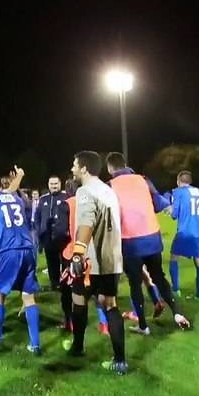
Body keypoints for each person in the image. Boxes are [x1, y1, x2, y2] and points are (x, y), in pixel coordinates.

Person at [106, 152, 191, 333]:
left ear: (110, 168)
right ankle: (177, 312)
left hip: (130, 241)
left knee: (135, 284)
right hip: (152, 237)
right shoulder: (143, 180)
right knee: (158, 276)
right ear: (125, 164)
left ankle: (143, 325)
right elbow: (159, 204)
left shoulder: (110, 185)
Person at [62, 151, 128, 374]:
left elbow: (86, 223)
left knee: (78, 300)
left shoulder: (85, 191)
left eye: (74, 165)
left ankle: (78, 347)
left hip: (91, 261)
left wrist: (78, 253)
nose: (72, 169)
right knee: (110, 305)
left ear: (83, 168)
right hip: (112, 259)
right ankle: (120, 361)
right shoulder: (108, 190)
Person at [0, 170, 42, 355]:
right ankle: (35, 344)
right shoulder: (16, 198)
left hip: (7, 250)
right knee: (28, 296)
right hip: (27, 248)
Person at [55, 177, 110, 335]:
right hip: (95, 251)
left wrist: (58, 243)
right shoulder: (96, 201)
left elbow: (60, 231)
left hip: (73, 253)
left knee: (69, 290)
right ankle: (104, 324)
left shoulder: (67, 204)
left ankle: (70, 322)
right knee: (98, 289)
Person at [168, 171, 199, 302]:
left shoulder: (178, 192)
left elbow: (174, 215)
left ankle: (175, 289)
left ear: (179, 181)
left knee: (174, 257)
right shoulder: (198, 191)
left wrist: (170, 210)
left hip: (185, 231)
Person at [36, 175, 68, 290]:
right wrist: (40, 231)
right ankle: (54, 284)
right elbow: (38, 216)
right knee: (51, 261)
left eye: (56, 184)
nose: (54, 186)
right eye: (51, 184)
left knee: (65, 260)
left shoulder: (66, 197)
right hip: (47, 236)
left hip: (63, 236)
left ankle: (65, 283)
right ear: (48, 185)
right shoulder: (43, 199)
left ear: (60, 184)